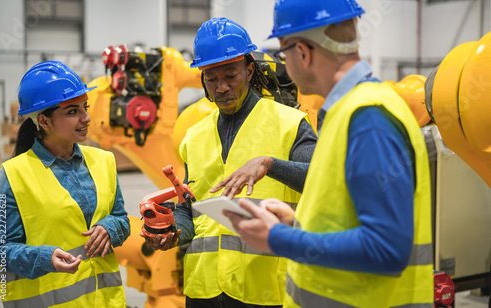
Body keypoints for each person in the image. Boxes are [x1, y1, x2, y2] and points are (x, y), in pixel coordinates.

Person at [224, 1, 434, 307]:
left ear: (303, 53)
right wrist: (297, 224)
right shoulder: (348, 112)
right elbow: (352, 221)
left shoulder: (367, 119)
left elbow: (386, 248)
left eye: (283, 53)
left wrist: (278, 238)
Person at [143, 17, 317, 307]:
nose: (221, 87)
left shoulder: (290, 124)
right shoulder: (194, 136)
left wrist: (270, 164)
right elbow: (190, 207)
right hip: (204, 290)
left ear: (249, 71)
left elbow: (319, 179)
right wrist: (175, 233)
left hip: (265, 289)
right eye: (211, 78)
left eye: (230, 75)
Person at [0, 60, 130, 307]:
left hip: (107, 301)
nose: (86, 118)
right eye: (72, 111)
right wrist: (44, 258)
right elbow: (2, 250)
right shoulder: (11, 176)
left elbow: (121, 217)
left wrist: (110, 227)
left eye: (84, 107)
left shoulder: (104, 161)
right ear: (44, 121)